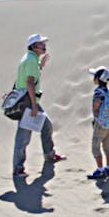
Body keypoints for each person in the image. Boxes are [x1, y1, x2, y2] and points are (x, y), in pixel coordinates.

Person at [13, 34, 66, 177]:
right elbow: (30, 83)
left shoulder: (32, 59)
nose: (44, 46)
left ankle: (49, 155)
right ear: (34, 46)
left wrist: (40, 66)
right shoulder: (30, 60)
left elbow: (31, 79)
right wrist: (34, 106)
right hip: (28, 102)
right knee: (23, 136)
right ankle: (18, 168)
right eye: (41, 44)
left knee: (46, 125)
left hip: (30, 100)